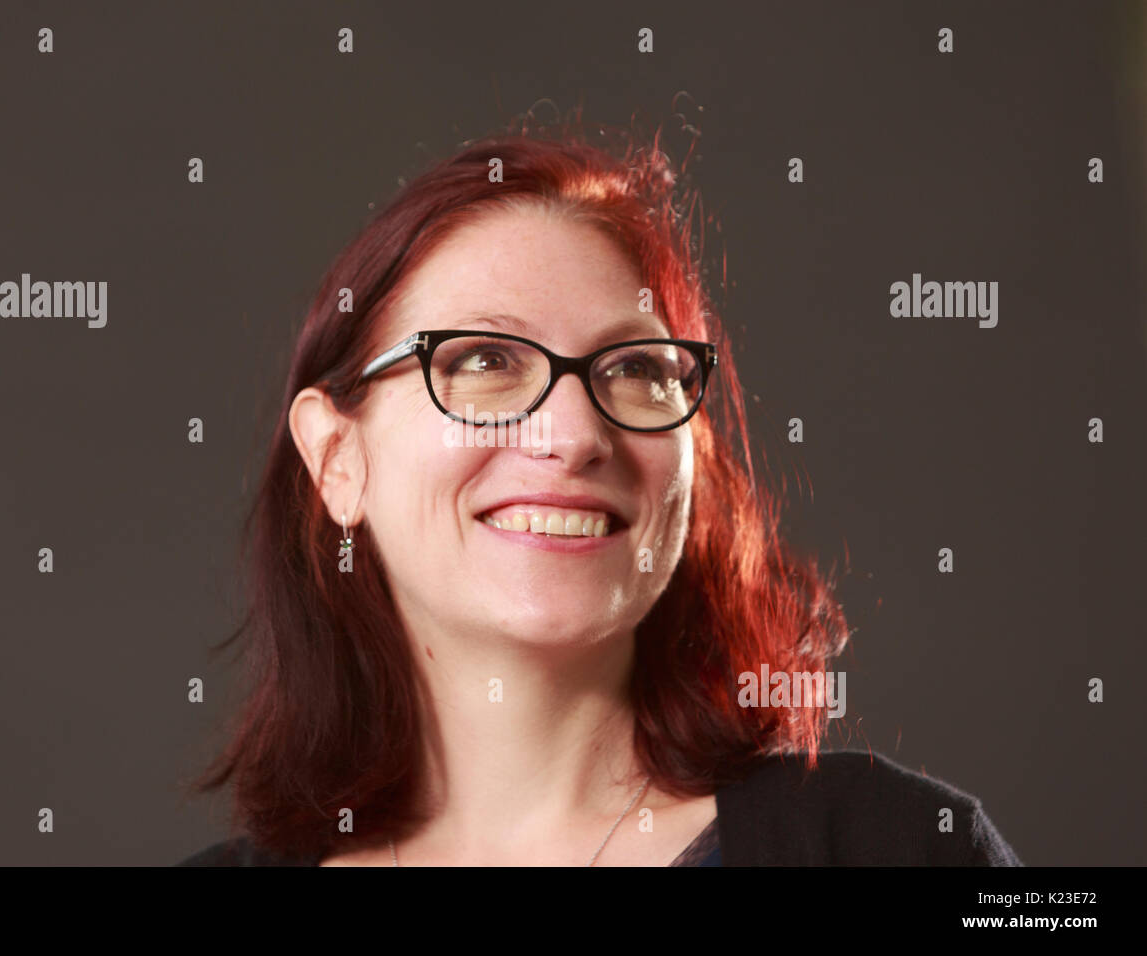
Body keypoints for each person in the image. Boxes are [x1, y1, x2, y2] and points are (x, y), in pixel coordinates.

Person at [178, 108, 1021, 867]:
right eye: (484, 361)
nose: (578, 436)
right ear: (337, 460)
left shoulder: (894, 849)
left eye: (634, 369)